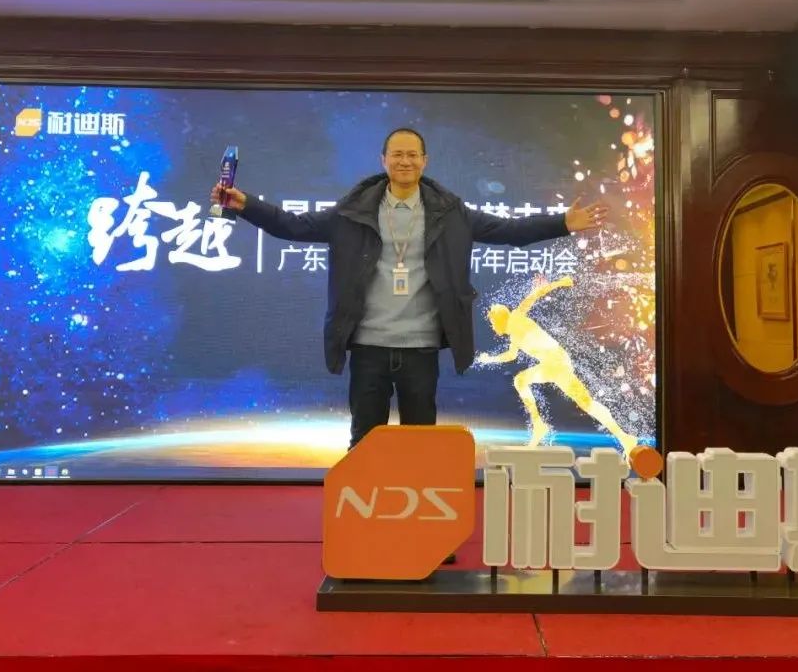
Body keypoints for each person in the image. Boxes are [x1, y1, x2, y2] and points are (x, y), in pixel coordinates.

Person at [210, 127, 607, 450]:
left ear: (424, 161)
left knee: (420, 444)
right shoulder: (352, 213)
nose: (405, 161)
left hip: (421, 349)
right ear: (383, 160)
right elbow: (293, 226)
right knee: (365, 443)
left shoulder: (450, 213)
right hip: (368, 347)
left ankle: (417, 525)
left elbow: (509, 231)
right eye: (397, 154)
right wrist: (247, 205)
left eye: (412, 154)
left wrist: (562, 223)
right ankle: (365, 520)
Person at [478, 275, 638, 454]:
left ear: (500, 320)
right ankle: (539, 425)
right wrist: (489, 359)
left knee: (585, 402)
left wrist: (561, 282)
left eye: (492, 322)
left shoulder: (516, 316)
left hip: (557, 363)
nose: (492, 327)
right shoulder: (514, 335)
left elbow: (535, 295)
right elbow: (511, 355)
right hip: (553, 365)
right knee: (523, 381)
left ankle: (624, 437)